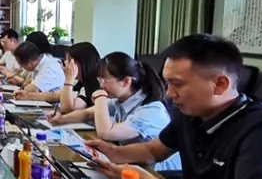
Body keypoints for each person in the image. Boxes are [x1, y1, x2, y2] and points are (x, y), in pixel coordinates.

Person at [86, 35, 262, 179]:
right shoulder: (189, 114)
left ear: (220, 84)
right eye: (167, 83)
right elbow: (153, 151)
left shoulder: (261, 128)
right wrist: (112, 153)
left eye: (177, 84)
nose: (168, 94)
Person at [52, 51, 181, 172]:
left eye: (105, 80)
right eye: (100, 79)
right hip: (132, 163)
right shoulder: (120, 101)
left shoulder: (151, 110)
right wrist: (60, 119)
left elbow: (106, 133)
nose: (101, 85)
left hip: (157, 173)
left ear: (126, 81)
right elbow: (87, 113)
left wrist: (100, 98)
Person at [22, 42, 101, 112]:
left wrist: (68, 80)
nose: (65, 63)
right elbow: (56, 95)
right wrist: (28, 96)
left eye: (69, 60)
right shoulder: (77, 81)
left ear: (81, 63)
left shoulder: (92, 84)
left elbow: (67, 108)